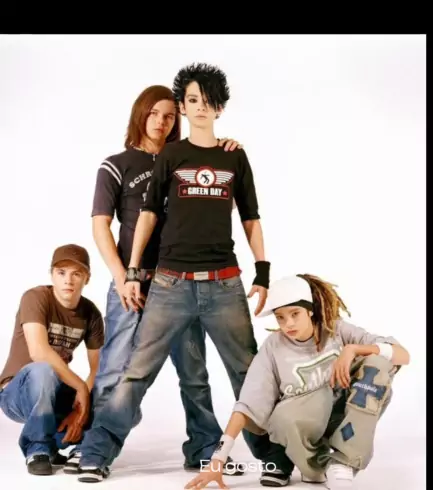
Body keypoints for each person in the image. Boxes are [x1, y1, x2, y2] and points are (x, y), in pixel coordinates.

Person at [75, 63, 293, 486]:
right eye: (192, 100)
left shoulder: (234, 156)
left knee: (248, 373)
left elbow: (250, 216)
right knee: (137, 372)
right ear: (183, 106)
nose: (200, 108)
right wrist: (132, 270)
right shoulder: (171, 157)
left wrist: (263, 272)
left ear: (220, 108)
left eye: (208, 101)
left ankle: (271, 457)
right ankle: (97, 451)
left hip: (224, 285)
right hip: (170, 285)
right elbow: (148, 214)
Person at [62, 85, 245, 476]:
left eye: (168, 115)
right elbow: (100, 226)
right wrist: (122, 275)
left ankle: (204, 446)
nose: (161, 122)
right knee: (116, 370)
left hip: (178, 282)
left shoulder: (186, 158)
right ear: (139, 115)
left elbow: (220, 197)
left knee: (194, 372)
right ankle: (92, 447)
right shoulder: (116, 164)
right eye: (153, 113)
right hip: (131, 282)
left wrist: (225, 148)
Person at [185, 273, 411, 489]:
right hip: (305, 422)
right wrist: (218, 458)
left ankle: (345, 460)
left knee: (377, 365)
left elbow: (402, 355)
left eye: (295, 314)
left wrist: (353, 349)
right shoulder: (274, 346)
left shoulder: (336, 330)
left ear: (310, 310)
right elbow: (247, 404)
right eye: (280, 317)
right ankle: (316, 465)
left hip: (344, 413)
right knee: (282, 418)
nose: (288, 324)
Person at [0, 244, 104, 476]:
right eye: (61, 272)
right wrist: (81, 388)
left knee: (112, 393)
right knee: (43, 370)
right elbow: (39, 352)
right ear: (52, 274)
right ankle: (38, 449)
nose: (68, 280)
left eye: (76, 274)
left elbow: (99, 368)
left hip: (53, 392)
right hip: (16, 393)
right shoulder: (36, 297)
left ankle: (79, 447)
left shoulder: (90, 313)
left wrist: (81, 409)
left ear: (87, 278)